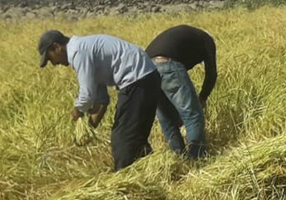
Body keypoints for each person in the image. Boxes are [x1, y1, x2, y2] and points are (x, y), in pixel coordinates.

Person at [38, 30, 184, 171]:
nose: (53, 63)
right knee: (135, 135)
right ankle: (152, 171)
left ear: (57, 47)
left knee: (122, 137)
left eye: (50, 58)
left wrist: (77, 111)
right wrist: (89, 128)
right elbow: (101, 99)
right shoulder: (84, 49)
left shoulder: (78, 52)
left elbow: (87, 94)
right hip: (146, 77)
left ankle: (124, 177)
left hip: (137, 80)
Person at [144, 24, 216, 159]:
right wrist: (203, 98)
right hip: (166, 63)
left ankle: (178, 158)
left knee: (168, 119)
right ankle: (197, 158)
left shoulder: (187, 37)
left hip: (145, 71)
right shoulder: (207, 40)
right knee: (193, 114)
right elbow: (211, 73)